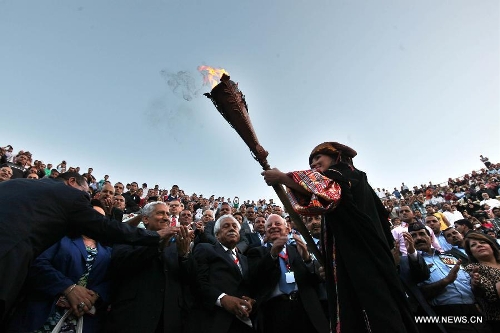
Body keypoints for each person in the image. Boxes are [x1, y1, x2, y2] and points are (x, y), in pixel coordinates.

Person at [261, 142, 417, 333]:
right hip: (360, 258)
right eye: (311, 162)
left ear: (336, 157)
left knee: (375, 314)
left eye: (318, 158)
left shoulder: (344, 173)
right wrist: (333, 268)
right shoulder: (351, 179)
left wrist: (283, 178)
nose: (314, 164)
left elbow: (327, 190)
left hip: (363, 258)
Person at [0, 172, 175, 326]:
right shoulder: (67, 203)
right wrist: (68, 288)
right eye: (85, 194)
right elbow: (105, 227)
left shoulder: (12, 185)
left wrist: (95, 296)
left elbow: (112, 276)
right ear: (71, 182)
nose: (84, 200)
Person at [7, 206, 112, 333]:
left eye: (102, 217)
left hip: (82, 320)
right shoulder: (59, 238)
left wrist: (95, 295)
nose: (97, 219)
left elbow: (111, 280)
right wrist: (68, 288)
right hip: (43, 313)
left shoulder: (109, 251)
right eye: (93, 214)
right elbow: (38, 264)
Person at [106, 202, 196, 333]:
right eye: (160, 213)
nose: (166, 217)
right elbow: (120, 264)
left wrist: (184, 255)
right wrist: (158, 244)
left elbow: (191, 280)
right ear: (145, 219)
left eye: (168, 214)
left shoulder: (176, 245)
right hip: (132, 319)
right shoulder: (129, 238)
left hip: (169, 323)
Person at [247, 214, 328, 333]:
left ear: (288, 229)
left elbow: (317, 279)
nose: (273, 227)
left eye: (278, 224)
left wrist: (307, 260)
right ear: (265, 232)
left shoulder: (298, 249)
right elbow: (254, 278)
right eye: (269, 225)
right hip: (274, 312)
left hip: (306, 308)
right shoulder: (256, 252)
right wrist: (272, 255)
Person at [191, 214, 255, 333]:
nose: (232, 228)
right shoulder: (205, 249)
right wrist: (222, 299)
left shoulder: (245, 259)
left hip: (243, 322)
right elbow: (198, 281)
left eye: (235, 226)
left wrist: (251, 300)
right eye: (226, 226)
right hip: (214, 321)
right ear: (217, 235)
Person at [464, 232, 500, 331]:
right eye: (473, 245)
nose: (479, 245)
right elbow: (492, 294)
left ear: (491, 246)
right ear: (471, 252)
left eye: (482, 242)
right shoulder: (473, 268)